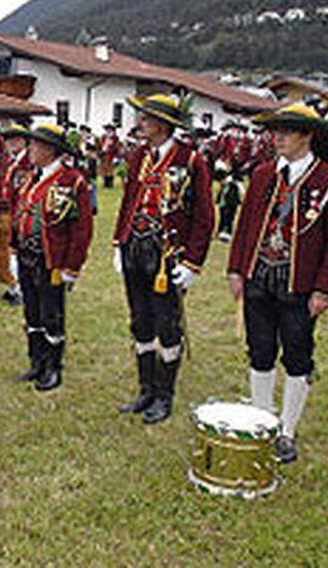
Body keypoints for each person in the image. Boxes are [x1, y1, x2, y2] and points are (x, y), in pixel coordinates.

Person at [227, 103, 328, 463]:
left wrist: (324, 288)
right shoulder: (264, 174)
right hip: (259, 276)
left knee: (297, 355)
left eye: (287, 131)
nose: (277, 137)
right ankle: (262, 421)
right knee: (260, 349)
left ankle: (287, 430)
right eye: (275, 130)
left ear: (307, 136)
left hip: (299, 282)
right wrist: (236, 269)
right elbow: (246, 224)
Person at [113, 95, 215, 423]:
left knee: (166, 324)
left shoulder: (191, 159)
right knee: (140, 320)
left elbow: (204, 216)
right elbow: (128, 200)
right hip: (135, 248)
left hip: (167, 256)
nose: (140, 123)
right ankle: (145, 388)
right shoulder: (139, 155)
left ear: (161, 123)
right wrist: (119, 242)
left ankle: (164, 394)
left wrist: (192, 263)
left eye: (145, 118)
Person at [9, 124, 93, 391]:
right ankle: (36, 361)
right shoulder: (32, 177)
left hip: (51, 260)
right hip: (27, 255)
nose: (30, 150)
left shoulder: (73, 181)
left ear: (50, 150)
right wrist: (14, 249)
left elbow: (81, 230)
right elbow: (19, 213)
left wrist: (71, 267)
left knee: (51, 314)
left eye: (35, 145)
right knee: (31, 311)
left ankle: (53, 367)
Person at [0, 125, 31, 306]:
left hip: (17, 214)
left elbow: (24, 192)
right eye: (8, 140)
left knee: (15, 252)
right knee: (3, 252)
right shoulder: (7, 161)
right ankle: (10, 285)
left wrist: (18, 217)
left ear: (24, 141)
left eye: (16, 139)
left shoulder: (28, 163)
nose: (12, 143)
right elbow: (1, 188)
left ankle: (20, 290)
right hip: (4, 213)